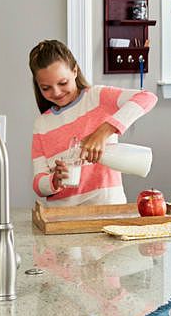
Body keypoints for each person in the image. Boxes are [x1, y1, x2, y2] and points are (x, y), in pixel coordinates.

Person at [29, 39, 158, 206]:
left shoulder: (96, 98)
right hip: (63, 217)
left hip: (108, 210)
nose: (57, 92)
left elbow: (147, 97)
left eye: (63, 83)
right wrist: (54, 181)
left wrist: (103, 132)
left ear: (74, 71)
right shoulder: (42, 124)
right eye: (46, 88)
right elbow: (38, 183)